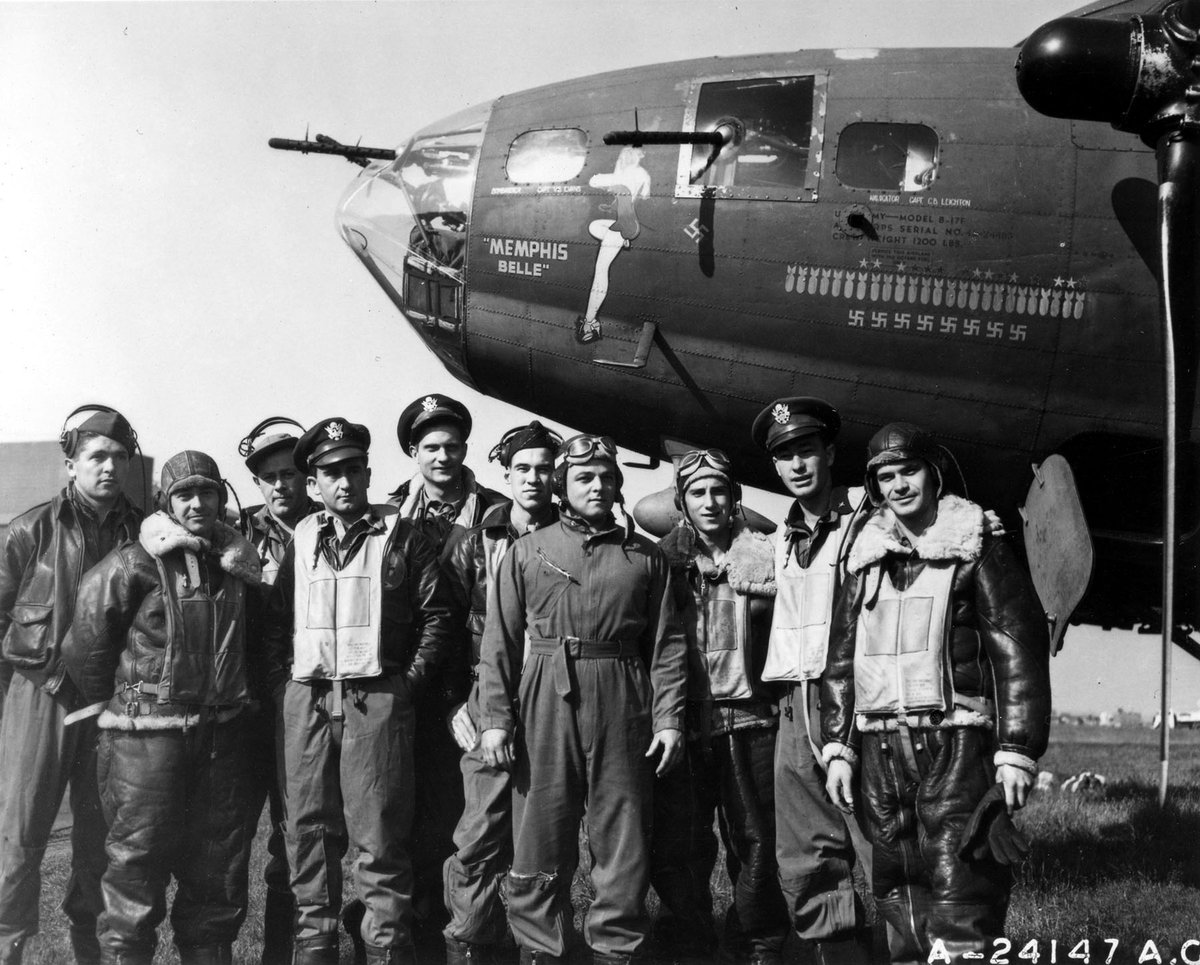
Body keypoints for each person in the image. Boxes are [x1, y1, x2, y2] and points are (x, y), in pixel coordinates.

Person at [821, 423, 1051, 963]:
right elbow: (840, 658)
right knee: (898, 891)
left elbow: (1016, 648)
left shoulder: (977, 544)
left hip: (956, 745)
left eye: (909, 471)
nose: (898, 485)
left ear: (934, 473)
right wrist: (838, 747)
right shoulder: (864, 555)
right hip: (879, 752)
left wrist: (1016, 749)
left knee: (962, 889)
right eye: (884, 477)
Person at [476, 433, 687, 965]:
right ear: (562, 486)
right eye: (583, 478)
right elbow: (498, 642)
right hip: (547, 691)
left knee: (621, 832)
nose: (597, 486)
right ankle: (541, 949)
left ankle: (616, 949)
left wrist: (669, 721)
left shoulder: (644, 557)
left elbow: (666, 645)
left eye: (606, 477)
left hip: (623, 692)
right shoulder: (528, 551)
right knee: (540, 829)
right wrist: (496, 720)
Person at [265, 418, 455, 965]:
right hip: (307, 698)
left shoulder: (404, 535)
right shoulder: (301, 538)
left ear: (368, 472)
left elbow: (436, 617)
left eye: (352, 470)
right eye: (330, 473)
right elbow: (277, 624)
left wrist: (407, 686)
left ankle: (387, 949)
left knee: (379, 838)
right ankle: (316, 950)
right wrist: (286, 686)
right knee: (308, 834)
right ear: (314, 483)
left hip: (377, 698)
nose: (343, 483)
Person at [63, 450, 263, 965]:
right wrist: (128, 704)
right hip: (145, 743)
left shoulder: (241, 566)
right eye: (185, 494)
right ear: (166, 502)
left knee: (216, 881)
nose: (198, 503)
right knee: (134, 874)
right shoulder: (135, 561)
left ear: (223, 496)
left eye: (208, 492)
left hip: (220, 743)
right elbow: (87, 644)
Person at [0, 406, 142, 965]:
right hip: (39, 698)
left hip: (112, 706)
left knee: (103, 846)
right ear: (70, 463)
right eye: (96, 456)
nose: (109, 467)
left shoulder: (145, 532)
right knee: (18, 838)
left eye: (119, 458)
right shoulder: (29, 530)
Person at [649, 449, 789, 965]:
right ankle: (687, 944)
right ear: (682, 502)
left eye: (719, 491)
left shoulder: (768, 560)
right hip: (683, 726)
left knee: (756, 843)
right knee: (680, 848)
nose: (710, 501)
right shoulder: (660, 561)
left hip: (751, 721)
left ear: (735, 498)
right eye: (697, 492)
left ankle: (758, 944)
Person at [750, 397, 875, 965]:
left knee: (875, 832)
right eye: (784, 457)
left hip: (852, 696)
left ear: (829, 452)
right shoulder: (780, 537)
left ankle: (910, 945)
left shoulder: (869, 521)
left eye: (806, 450)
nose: (797, 465)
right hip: (793, 707)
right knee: (805, 848)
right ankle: (837, 953)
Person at [383, 393, 505, 952]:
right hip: (406, 687)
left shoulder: (497, 515)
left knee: (466, 823)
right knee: (403, 819)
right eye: (430, 447)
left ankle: (474, 939)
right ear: (413, 451)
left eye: (452, 446)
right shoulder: (387, 517)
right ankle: (416, 938)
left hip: (472, 688)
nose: (443, 457)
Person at [440, 421, 562, 965]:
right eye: (523, 469)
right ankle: (470, 943)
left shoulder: (571, 536)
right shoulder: (473, 543)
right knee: (479, 832)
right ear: (506, 475)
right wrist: (452, 704)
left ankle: (534, 946)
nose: (534, 478)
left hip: (552, 699)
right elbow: (440, 626)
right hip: (484, 696)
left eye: (544, 468)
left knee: (540, 834)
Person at [238, 419, 320, 965]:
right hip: (249, 708)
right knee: (237, 834)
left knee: (301, 835)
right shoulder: (236, 533)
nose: (280, 486)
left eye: (290, 473)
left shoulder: (332, 528)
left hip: (312, 704)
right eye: (268, 477)